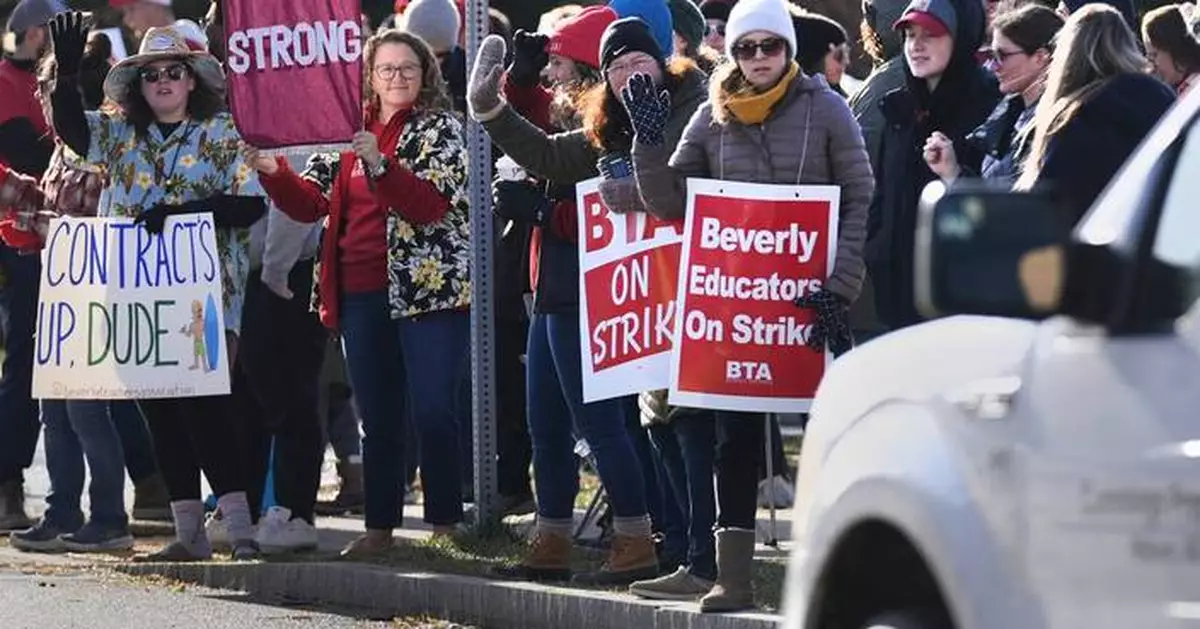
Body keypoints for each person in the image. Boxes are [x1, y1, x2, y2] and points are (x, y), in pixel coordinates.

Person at [630, 0, 873, 610]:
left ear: (789, 49)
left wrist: (841, 286)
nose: (759, 58)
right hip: (740, 307)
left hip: (814, 303)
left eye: (771, 46)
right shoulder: (712, 117)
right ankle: (732, 578)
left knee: (829, 434)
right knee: (732, 441)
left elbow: (859, 194)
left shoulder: (828, 108)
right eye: (746, 48)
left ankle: (840, 574)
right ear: (732, 53)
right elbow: (668, 202)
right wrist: (647, 140)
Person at [468, 16, 707, 586]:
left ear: (662, 62)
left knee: (605, 425)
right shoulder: (608, 119)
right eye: (616, 66)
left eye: (637, 61)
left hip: (626, 291)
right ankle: (551, 538)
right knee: (545, 420)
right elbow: (552, 154)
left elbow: (666, 198)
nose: (628, 74)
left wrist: (548, 213)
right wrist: (491, 111)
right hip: (559, 283)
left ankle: (635, 537)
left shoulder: (687, 110)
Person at [49, 13, 268, 561]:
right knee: (162, 414)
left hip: (206, 298)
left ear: (193, 80)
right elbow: (73, 133)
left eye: (175, 71)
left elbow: (247, 204)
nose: (164, 81)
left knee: (207, 408)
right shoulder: (119, 133)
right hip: (137, 299)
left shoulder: (222, 133)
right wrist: (67, 78)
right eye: (151, 74)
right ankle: (188, 534)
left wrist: (180, 212)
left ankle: (239, 530)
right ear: (139, 87)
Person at [250, 29, 472, 556]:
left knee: (435, 408)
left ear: (426, 76)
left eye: (408, 70)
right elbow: (309, 203)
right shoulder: (350, 133)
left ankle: (445, 524)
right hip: (360, 292)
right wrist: (274, 172)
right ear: (369, 78)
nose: (397, 79)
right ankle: (379, 529)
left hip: (427, 294)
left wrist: (380, 164)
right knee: (379, 416)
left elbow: (429, 205)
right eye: (386, 70)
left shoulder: (441, 129)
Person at [866, 0, 1000, 331]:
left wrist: (955, 175)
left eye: (931, 34)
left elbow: (999, 210)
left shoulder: (991, 106)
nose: (917, 46)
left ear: (962, 37)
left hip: (962, 310)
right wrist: (877, 251)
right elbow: (879, 194)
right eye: (910, 35)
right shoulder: (898, 107)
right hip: (895, 306)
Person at [0, 0, 66, 533]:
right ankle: (6, 481)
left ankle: (149, 476)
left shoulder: (63, 79)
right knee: (27, 357)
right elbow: (27, 153)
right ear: (29, 33)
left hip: (66, 234)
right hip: (22, 235)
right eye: (52, 28)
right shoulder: (4, 80)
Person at [1016, 4, 1175, 223]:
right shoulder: (1163, 99)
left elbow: (1042, 204)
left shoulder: (1075, 116)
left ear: (1067, 55)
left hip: (1086, 247)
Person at [926, 4, 1063, 184]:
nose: (994, 67)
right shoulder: (1009, 114)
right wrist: (951, 171)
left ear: (1040, 57)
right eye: (992, 55)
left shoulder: (1055, 125)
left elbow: (1015, 203)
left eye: (1003, 55)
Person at [790, 9, 853, 97]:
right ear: (814, 56)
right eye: (839, 55)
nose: (846, 62)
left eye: (846, 54)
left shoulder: (843, 102)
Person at [1142, 4, 1200, 95]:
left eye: (1154, 55)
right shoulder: (1176, 90)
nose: (1151, 68)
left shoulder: (1193, 89)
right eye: (1149, 58)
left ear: (1178, 51)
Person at [110, 0, 175, 40]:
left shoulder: (183, 40)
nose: (126, 20)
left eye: (131, 9)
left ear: (156, 7)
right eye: (124, 12)